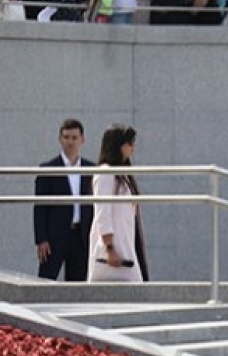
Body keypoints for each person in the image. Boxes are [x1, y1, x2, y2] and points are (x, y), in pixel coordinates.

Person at [34, 119, 96, 282]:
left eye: (74, 138)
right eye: (66, 137)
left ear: (82, 140)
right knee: (45, 282)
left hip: (81, 235)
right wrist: (41, 239)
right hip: (55, 236)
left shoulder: (92, 169)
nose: (70, 142)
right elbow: (40, 207)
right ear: (60, 139)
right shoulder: (48, 169)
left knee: (78, 285)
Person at [87, 125, 147, 283]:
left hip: (125, 244)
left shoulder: (123, 175)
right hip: (112, 249)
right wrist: (109, 248)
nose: (133, 148)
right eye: (129, 143)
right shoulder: (106, 173)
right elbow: (102, 213)